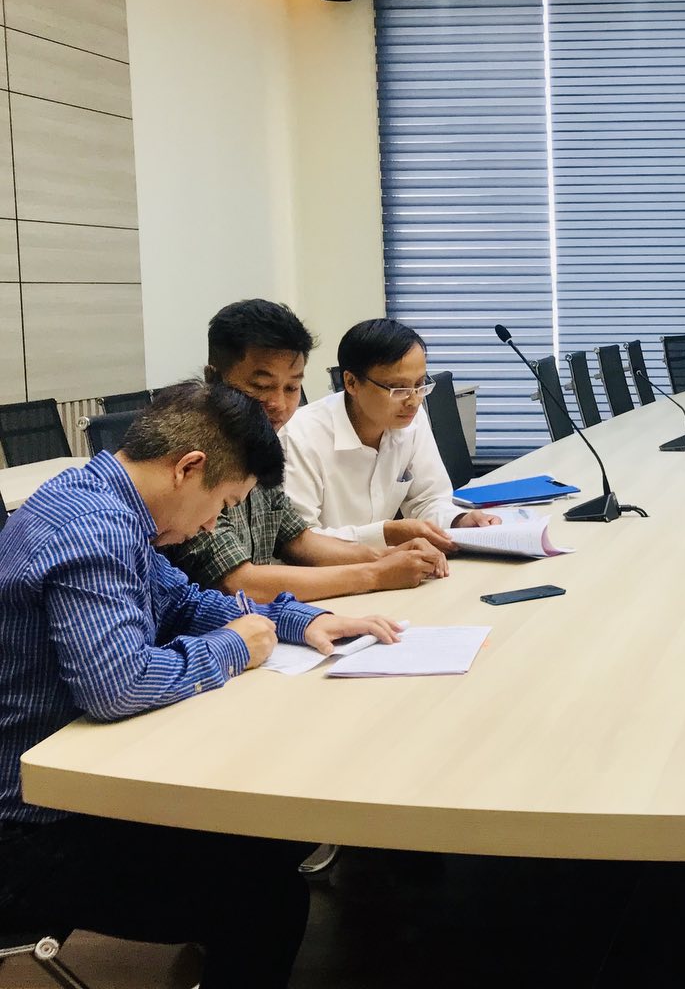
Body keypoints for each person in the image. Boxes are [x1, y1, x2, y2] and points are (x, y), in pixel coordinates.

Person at [0, 382, 399, 989]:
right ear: (188, 468)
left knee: (270, 840)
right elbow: (118, 684)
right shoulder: (94, 527)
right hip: (29, 830)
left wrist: (298, 620)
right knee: (266, 901)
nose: (212, 526)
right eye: (222, 504)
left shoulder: (106, 501)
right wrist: (236, 646)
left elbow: (184, 602)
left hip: (72, 788)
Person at [169, 299, 447, 603]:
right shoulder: (194, 458)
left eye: (291, 388)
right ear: (213, 379)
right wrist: (375, 574)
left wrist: (386, 555)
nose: (279, 404)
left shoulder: (261, 446)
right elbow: (237, 582)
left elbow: (300, 541)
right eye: (262, 387)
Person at [280, 319, 499, 549]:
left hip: (385, 563)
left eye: (420, 384)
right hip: (324, 569)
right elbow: (300, 540)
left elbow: (428, 500)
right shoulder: (298, 436)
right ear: (351, 382)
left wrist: (459, 521)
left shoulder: (412, 420)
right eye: (398, 388)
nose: (413, 401)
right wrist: (385, 534)